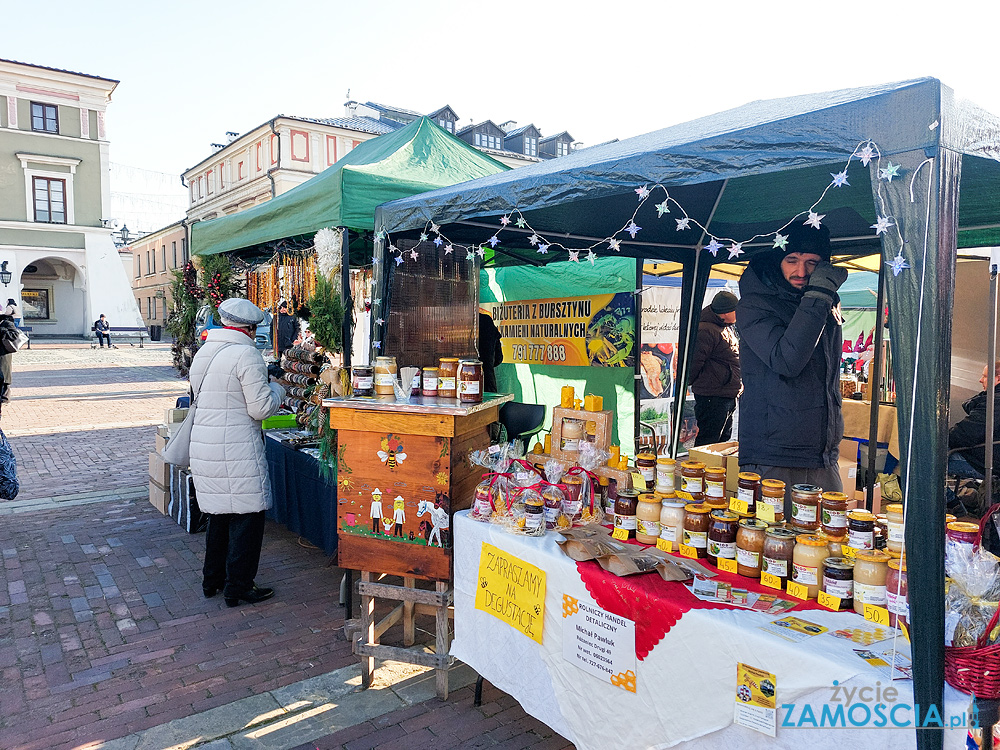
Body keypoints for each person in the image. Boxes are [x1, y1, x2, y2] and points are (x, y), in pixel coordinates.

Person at [736, 222, 848, 517]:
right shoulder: (754, 304)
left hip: (821, 452)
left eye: (812, 262)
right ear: (776, 260)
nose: (802, 271)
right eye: (792, 260)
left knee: (826, 546)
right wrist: (818, 296)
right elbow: (787, 361)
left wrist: (820, 298)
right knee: (773, 547)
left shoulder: (823, 300)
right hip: (773, 452)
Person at [189, 298, 285, 608]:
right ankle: (239, 586)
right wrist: (278, 389)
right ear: (250, 328)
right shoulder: (247, 355)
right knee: (247, 518)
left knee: (219, 515)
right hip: (237, 448)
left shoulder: (204, 352)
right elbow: (260, 409)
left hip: (206, 445)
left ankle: (211, 580)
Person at [690, 290, 741, 445]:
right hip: (713, 395)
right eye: (736, 310)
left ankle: (717, 469)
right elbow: (694, 362)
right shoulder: (706, 329)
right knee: (709, 441)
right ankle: (701, 469)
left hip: (724, 393)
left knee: (721, 441)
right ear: (726, 312)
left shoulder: (722, 326)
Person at [948, 361, 1000, 479]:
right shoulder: (991, 399)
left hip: (986, 463)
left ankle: (950, 498)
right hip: (986, 456)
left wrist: (938, 440)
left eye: (985, 376)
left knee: (921, 460)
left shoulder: (994, 403)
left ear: (998, 378)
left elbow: (965, 435)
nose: (980, 380)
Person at [478, 311, 503, 393]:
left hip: (453, 389)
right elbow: (498, 359)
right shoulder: (486, 320)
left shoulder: (446, 321)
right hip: (487, 387)